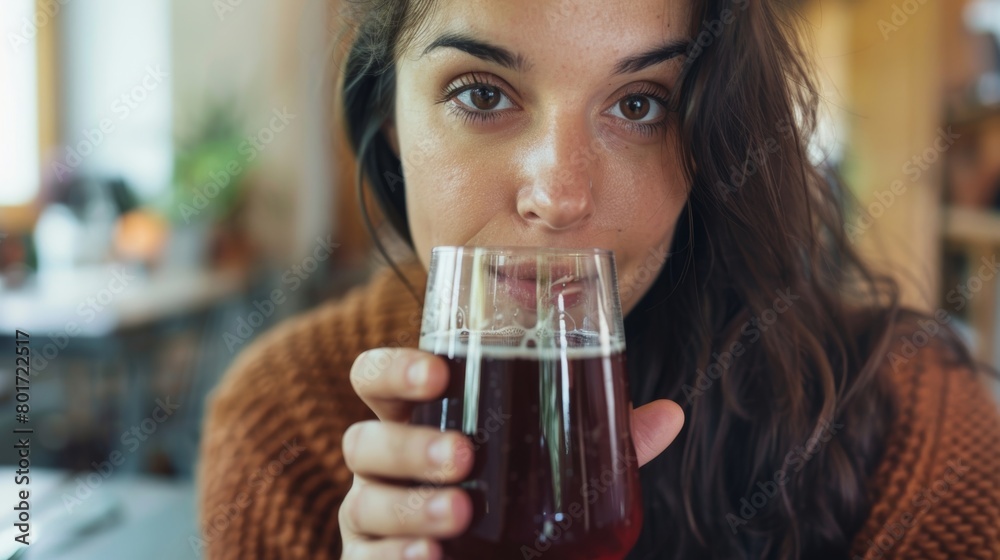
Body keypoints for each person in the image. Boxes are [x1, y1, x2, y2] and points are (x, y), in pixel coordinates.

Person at [196, 0, 1000, 558]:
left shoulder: (904, 415)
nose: (560, 195)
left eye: (641, 105)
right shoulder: (285, 431)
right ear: (390, 126)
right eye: (482, 93)